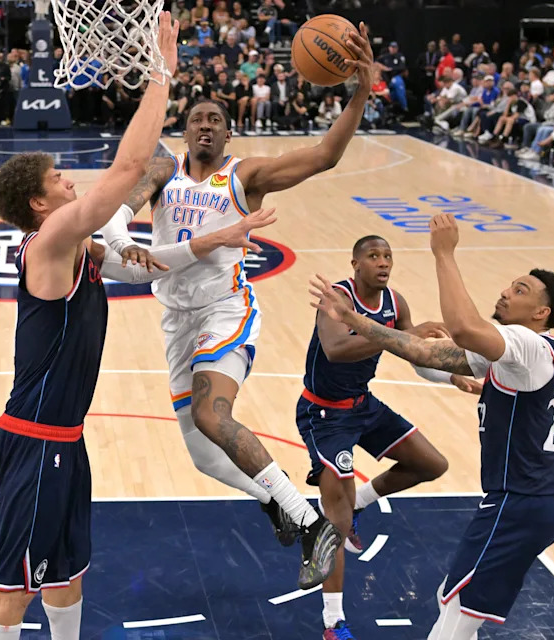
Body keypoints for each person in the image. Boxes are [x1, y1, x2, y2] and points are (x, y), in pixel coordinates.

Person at [99, 20, 380, 595]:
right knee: (203, 454)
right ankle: (286, 503)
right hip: (176, 319)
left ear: (229, 136)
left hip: (227, 311)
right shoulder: (162, 169)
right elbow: (119, 208)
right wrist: (121, 235)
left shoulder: (244, 176)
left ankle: (311, 525)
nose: (205, 125)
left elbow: (326, 155)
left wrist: (360, 90)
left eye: (216, 120)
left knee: (212, 415)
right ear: (184, 129)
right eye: (197, 118)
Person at [0, 14, 214, 640]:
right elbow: (129, 166)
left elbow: (147, 266)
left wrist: (224, 236)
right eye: (58, 179)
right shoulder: (50, 239)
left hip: (65, 436)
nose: (69, 180)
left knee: (66, 574)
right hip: (34, 438)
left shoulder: (83, 250)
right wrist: (161, 73)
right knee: (13, 587)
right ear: (37, 202)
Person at [309, 214, 554, 640]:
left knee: (455, 615)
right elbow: (422, 351)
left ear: (541, 313)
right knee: (449, 599)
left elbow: (465, 329)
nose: (505, 292)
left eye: (519, 290)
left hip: (522, 502)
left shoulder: (528, 345)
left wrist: (444, 253)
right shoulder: (507, 354)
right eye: (509, 284)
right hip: (531, 501)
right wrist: (356, 319)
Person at [300, 235, 482, 638]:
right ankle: (333, 622)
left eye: (388, 256)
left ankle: (361, 502)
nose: (383, 262)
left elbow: (413, 354)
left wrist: (453, 377)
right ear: (355, 264)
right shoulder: (337, 298)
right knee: (337, 520)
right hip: (324, 413)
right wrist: (401, 335)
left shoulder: (395, 303)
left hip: (363, 405)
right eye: (374, 256)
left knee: (432, 464)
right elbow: (335, 349)